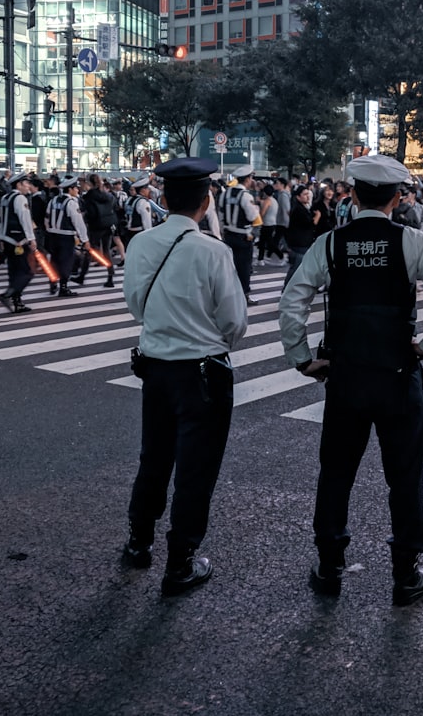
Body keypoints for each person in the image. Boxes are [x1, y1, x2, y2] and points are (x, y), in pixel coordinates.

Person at [278, 155, 423, 607]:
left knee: (336, 473)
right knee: (404, 478)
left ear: (354, 194)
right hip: (398, 375)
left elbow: (292, 303)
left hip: (345, 378)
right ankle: (405, 574)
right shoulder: (411, 242)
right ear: (397, 197)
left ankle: (329, 567)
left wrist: (302, 359)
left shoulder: (330, 244)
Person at [121, 157, 248, 597]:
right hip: (203, 372)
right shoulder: (213, 250)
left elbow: (135, 305)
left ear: (162, 198)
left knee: (153, 455)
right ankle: (180, 563)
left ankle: (138, 543)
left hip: (155, 367)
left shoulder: (139, 245)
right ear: (206, 200)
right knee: (196, 469)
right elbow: (234, 323)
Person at [218, 164, 260, 305]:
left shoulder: (225, 193)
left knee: (229, 267)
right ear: (248, 179)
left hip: (229, 235)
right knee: (244, 268)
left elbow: (220, 216)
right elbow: (252, 216)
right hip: (243, 237)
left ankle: (227, 296)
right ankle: (244, 296)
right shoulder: (246, 196)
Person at [0, 172, 37, 314]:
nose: (28, 186)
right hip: (19, 241)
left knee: (14, 272)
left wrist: (0, 237)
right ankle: (7, 295)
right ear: (18, 184)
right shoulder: (20, 199)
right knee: (27, 272)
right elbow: (25, 220)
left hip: (7, 239)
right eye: (25, 183)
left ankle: (17, 302)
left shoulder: (5, 198)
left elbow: (0, 220)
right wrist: (31, 239)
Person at [45, 175, 90, 297]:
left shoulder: (53, 201)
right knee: (66, 261)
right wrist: (84, 239)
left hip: (53, 235)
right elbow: (78, 222)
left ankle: (52, 282)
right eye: (76, 188)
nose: (77, 190)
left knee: (54, 260)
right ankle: (63, 287)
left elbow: (47, 218)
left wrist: (50, 230)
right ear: (69, 189)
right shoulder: (71, 203)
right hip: (66, 236)